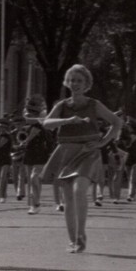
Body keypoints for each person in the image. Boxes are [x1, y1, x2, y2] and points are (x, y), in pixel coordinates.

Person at [41, 65, 122, 253]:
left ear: (86, 84)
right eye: (72, 80)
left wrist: (102, 143)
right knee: (67, 197)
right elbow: (46, 123)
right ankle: (73, 240)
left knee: (79, 190)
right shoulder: (62, 105)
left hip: (88, 151)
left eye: (79, 81)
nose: (75, 84)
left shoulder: (94, 104)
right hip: (66, 152)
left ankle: (81, 234)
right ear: (67, 83)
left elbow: (116, 122)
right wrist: (67, 121)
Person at [20, 96, 54, 214]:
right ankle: (34, 203)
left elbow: (50, 141)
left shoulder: (42, 126)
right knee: (31, 181)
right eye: (29, 112)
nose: (30, 114)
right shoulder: (25, 127)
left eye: (34, 112)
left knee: (34, 178)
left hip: (40, 154)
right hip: (29, 154)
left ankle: (36, 204)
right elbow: (20, 139)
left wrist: (50, 154)